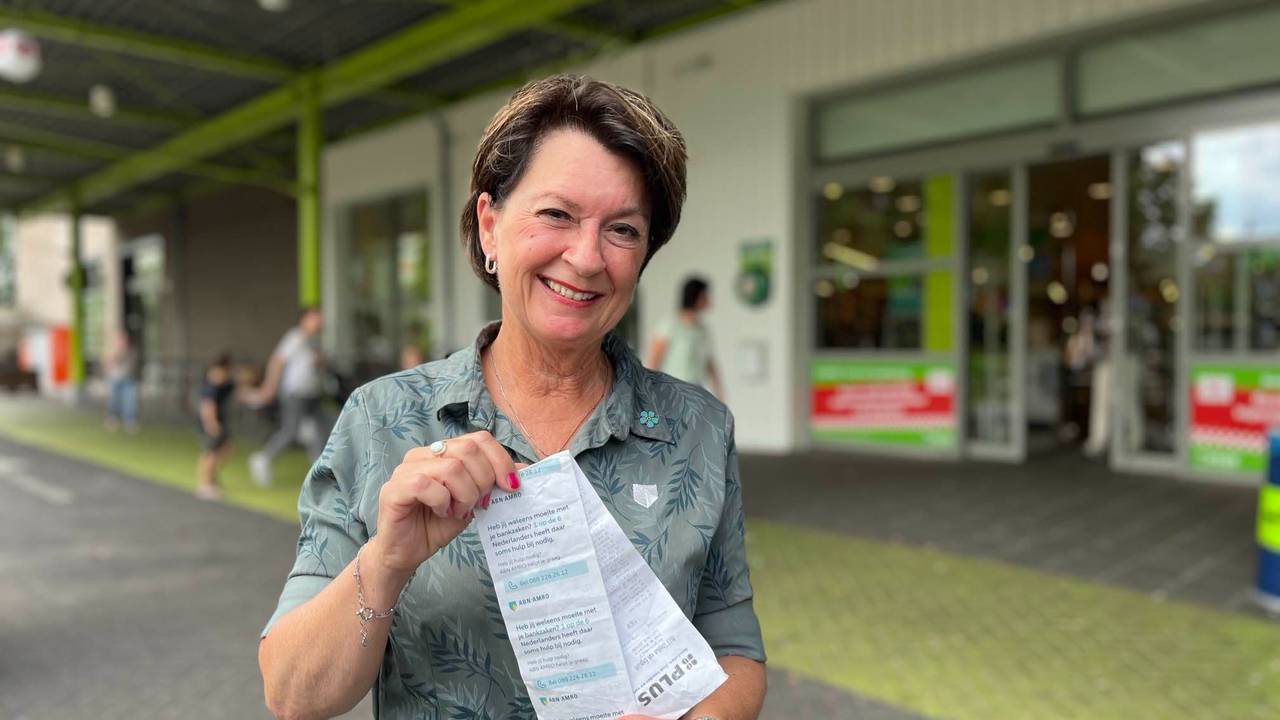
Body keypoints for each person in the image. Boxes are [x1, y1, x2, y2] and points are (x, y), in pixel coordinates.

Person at [259, 75, 766, 720]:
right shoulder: (382, 419)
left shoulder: (697, 428)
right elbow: (293, 694)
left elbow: (734, 649)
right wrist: (386, 560)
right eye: (556, 214)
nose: (586, 258)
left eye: (623, 230)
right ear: (490, 225)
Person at [248, 307, 328, 487]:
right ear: (304, 319)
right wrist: (270, 387)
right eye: (315, 318)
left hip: (312, 393)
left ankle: (318, 474)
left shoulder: (314, 341)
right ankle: (263, 458)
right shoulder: (295, 337)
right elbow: (277, 361)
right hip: (295, 393)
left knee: (321, 432)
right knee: (291, 431)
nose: (320, 322)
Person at [647, 276, 724, 399]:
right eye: (705, 295)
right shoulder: (669, 325)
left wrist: (719, 393)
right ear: (696, 296)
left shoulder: (703, 330)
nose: (709, 300)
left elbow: (708, 363)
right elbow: (654, 362)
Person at [195, 353, 237, 501]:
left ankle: (211, 479)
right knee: (210, 453)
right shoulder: (211, 385)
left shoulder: (224, 384)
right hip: (211, 421)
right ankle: (204, 485)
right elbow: (207, 404)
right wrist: (211, 423)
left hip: (218, 420)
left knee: (226, 450)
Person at [102, 329, 139, 433]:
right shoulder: (113, 351)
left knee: (129, 402)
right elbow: (108, 365)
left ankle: (130, 421)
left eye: (122, 339)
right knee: (113, 400)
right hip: (115, 380)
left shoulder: (131, 351)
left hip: (128, 380)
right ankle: (112, 419)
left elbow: (131, 365)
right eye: (118, 340)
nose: (120, 342)